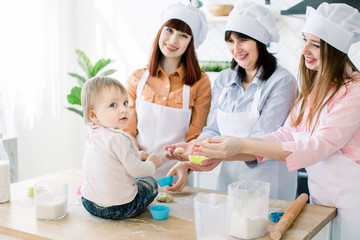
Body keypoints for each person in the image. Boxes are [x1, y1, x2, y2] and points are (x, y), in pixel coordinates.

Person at [192, 3, 360, 239]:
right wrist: (219, 149)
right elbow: (286, 134)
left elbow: (319, 146)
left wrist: (240, 145)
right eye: (304, 40)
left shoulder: (355, 92)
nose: (304, 51)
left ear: (336, 50)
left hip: (353, 202)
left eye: (316, 44)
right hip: (321, 198)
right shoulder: (316, 90)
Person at [165, 1, 298, 199]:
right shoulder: (225, 78)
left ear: (259, 41)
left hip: (269, 187)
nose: (236, 49)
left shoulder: (282, 81)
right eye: (230, 41)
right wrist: (194, 148)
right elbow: (213, 130)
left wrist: (215, 155)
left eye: (243, 40)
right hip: (228, 184)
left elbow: (265, 144)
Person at [123, 2, 211, 190]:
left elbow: (195, 137)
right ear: (160, 31)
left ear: (190, 42)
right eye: (169, 30)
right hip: (136, 173)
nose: (173, 41)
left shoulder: (200, 82)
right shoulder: (136, 79)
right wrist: (140, 163)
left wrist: (185, 168)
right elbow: (127, 132)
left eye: (183, 35)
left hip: (178, 177)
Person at [80, 76, 161, 220]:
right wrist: (152, 164)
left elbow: (114, 160)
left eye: (125, 103)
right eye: (113, 105)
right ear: (94, 115)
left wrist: (137, 155)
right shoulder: (118, 137)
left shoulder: (93, 135)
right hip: (119, 207)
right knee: (149, 182)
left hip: (89, 202)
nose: (124, 109)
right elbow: (136, 171)